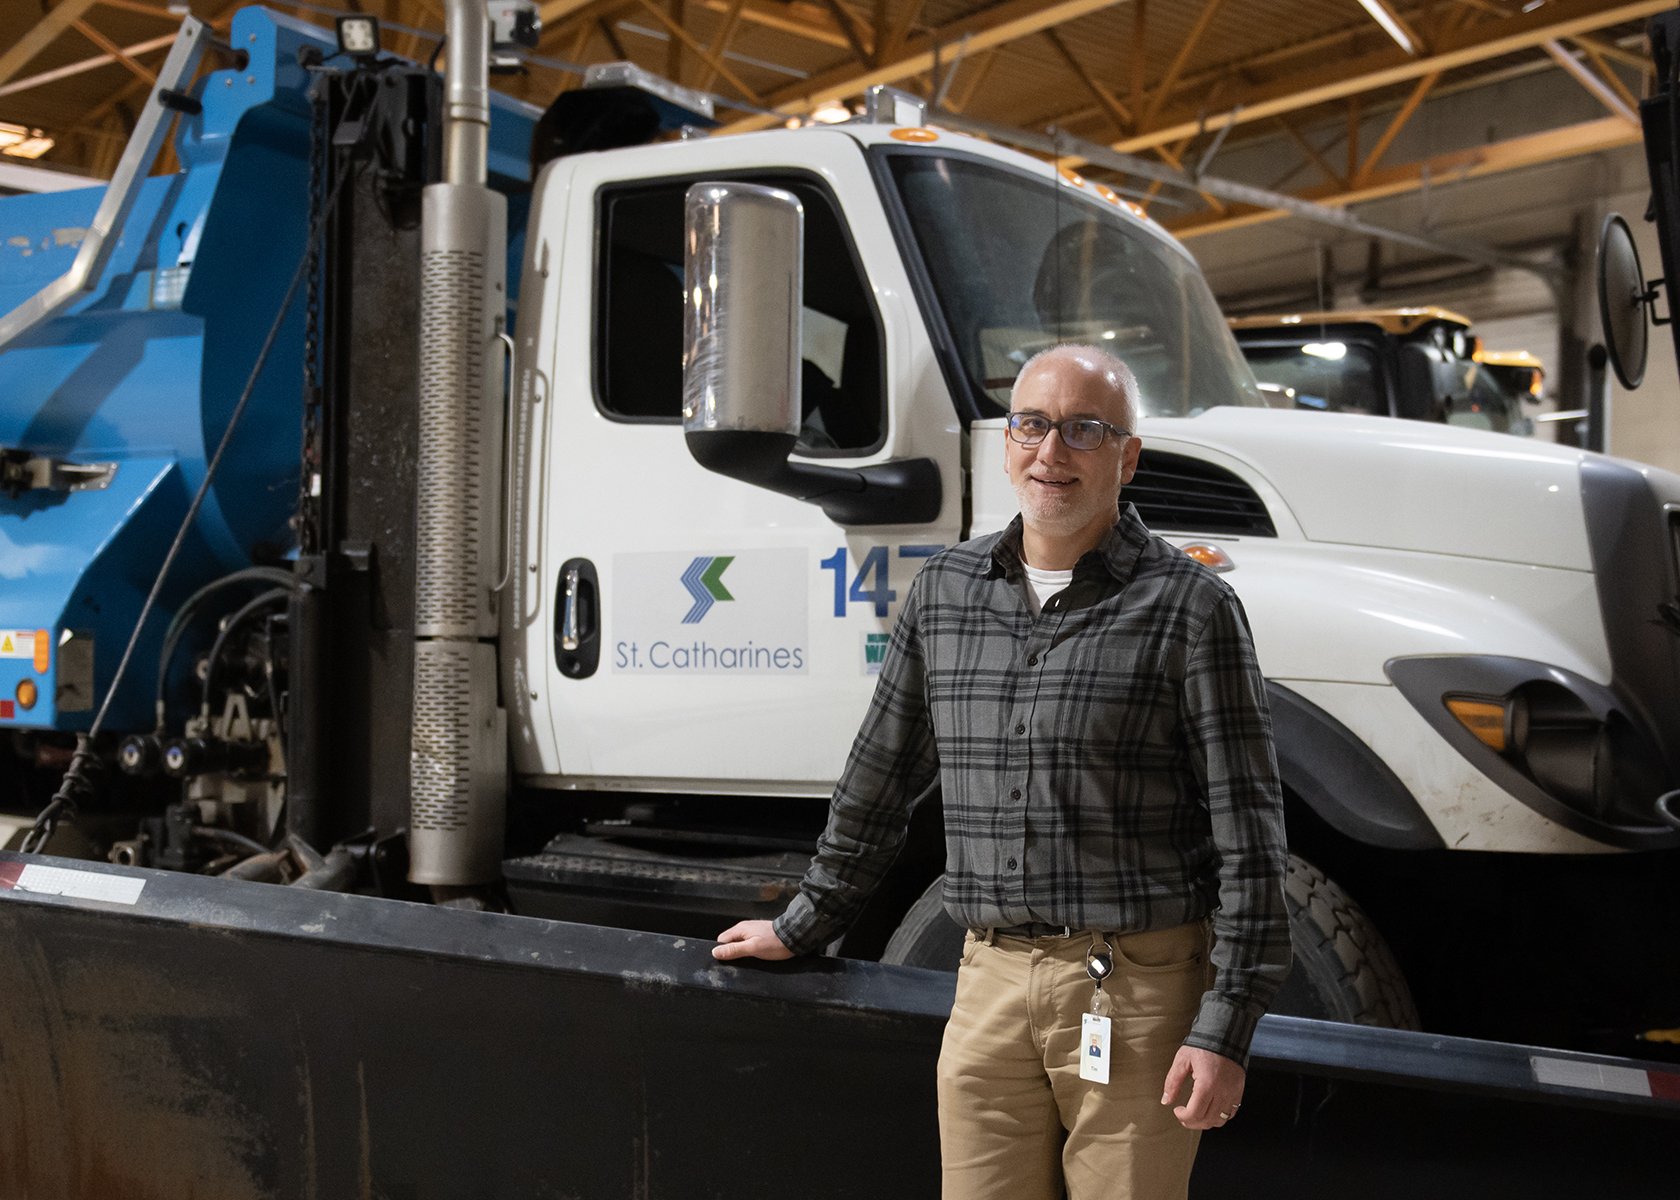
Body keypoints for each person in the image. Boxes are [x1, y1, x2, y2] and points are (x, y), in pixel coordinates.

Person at [714, 344, 1291, 1200]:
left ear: (1128, 457)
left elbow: (1251, 840)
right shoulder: (945, 592)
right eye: (1032, 424)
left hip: (1134, 994)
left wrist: (1224, 1027)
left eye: (1084, 430)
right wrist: (806, 920)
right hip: (986, 981)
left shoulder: (1190, 608)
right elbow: (880, 775)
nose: (1051, 452)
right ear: (1006, 441)